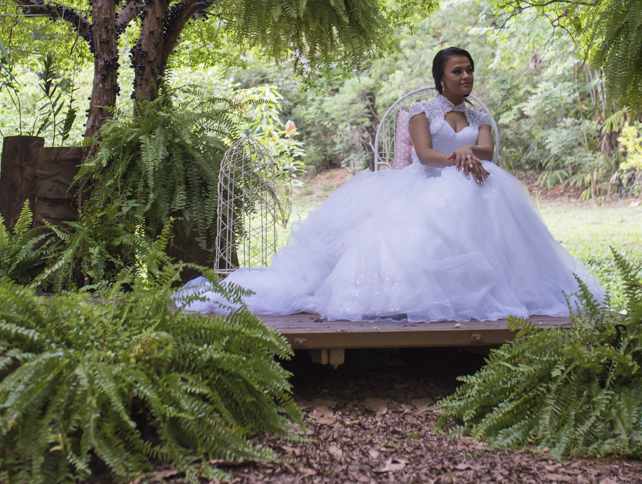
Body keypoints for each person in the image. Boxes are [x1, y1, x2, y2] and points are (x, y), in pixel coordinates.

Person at [181, 47, 605, 322]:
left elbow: (488, 153)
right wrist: (457, 155)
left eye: (470, 71)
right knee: (416, 229)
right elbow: (424, 155)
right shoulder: (423, 111)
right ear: (441, 77)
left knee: (495, 205)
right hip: (429, 180)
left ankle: (495, 288)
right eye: (458, 71)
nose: (466, 77)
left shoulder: (479, 118)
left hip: (477, 181)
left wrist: (468, 154)